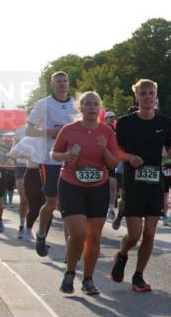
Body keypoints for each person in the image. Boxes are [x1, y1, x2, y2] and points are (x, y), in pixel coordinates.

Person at [52, 92, 121, 295]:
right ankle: (70, 272)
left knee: (93, 237)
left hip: (97, 187)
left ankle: (88, 279)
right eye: (88, 104)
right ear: (80, 108)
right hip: (71, 185)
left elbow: (113, 163)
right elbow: (54, 154)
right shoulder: (69, 130)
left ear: (100, 108)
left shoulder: (106, 132)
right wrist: (66, 155)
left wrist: (104, 149)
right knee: (79, 233)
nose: (92, 108)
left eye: (95, 104)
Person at [113, 79, 171, 292]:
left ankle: (138, 275)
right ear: (137, 97)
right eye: (143, 93)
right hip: (132, 183)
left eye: (151, 93)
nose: (148, 97)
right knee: (134, 234)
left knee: (150, 233)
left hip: (155, 183)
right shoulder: (125, 122)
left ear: (156, 96)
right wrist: (129, 157)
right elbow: (116, 152)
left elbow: (169, 149)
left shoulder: (164, 122)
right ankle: (122, 255)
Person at [28, 72, 77, 257]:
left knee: (69, 205)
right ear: (52, 84)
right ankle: (41, 235)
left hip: (73, 160)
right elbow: (30, 130)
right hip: (51, 160)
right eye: (59, 81)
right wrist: (52, 132)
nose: (62, 84)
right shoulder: (44, 104)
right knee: (51, 202)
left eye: (65, 81)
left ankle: (69, 251)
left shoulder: (76, 104)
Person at [7, 132, 40, 241]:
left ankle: (30, 228)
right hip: (21, 166)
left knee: (37, 201)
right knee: (24, 199)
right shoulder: (20, 131)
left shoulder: (46, 130)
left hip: (36, 167)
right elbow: (12, 153)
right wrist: (24, 156)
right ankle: (22, 225)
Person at [105, 111, 120, 221]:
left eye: (113, 118)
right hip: (101, 160)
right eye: (110, 118)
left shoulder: (115, 130)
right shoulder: (101, 129)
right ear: (105, 119)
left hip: (111, 160)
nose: (112, 120)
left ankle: (110, 208)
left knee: (113, 184)